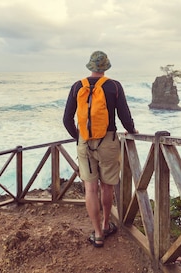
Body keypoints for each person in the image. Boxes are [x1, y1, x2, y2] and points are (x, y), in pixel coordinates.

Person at [63, 51, 138, 248]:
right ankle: (106, 225)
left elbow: (66, 119)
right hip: (108, 142)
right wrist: (132, 130)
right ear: (105, 67)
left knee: (90, 188)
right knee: (107, 186)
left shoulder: (77, 86)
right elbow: (124, 115)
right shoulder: (114, 86)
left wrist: (79, 137)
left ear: (90, 66)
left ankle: (97, 234)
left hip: (85, 143)